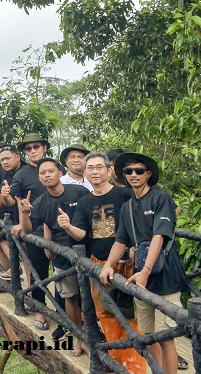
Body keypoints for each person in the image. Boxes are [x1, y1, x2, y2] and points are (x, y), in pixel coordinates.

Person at [100, 153, 192, 374]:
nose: (133, 174)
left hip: (165, 276)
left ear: (148, 174)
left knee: (166, 337)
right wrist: (108, 264)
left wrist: (146, 271)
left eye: (139, 171)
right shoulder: (128, 207)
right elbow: (121, 240)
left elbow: (159, 236)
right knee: (149, 335)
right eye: (129, 171)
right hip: (140, 277)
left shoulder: (161, 199)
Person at [58, 152, 146, 374]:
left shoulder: (125, 195)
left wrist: (134, 250)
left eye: (99, 167)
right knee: (105, 312)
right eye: (91, 168)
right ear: (85, 173)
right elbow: (81, 235)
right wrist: (67, 225)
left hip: (127, 263)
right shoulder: (85, 202)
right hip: (98, 263)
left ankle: (134, 366)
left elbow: (141, 223)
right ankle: (116, 360)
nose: (95, 172)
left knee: (131, 313)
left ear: (109, 170)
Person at [16, 157, 90, 355]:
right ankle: (80, 338)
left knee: (91, 298)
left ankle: (93, 338)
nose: (47, 175)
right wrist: (23, 213)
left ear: (60, 172)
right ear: (39, 178)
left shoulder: (80, 192)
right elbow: (29, 230)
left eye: (51, 171)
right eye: (43, 173)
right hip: (61, 258)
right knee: (70, 298)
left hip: (87, 253)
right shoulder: (40, 203)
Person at [11, 132, 54, 330]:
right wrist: (22, 220)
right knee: (39, 273)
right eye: (28, 148)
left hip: (59, 229)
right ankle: (40, 310)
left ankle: (71, 316)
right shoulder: (21, 174)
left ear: (44, 147)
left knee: (66, 274)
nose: (32, 151)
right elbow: (16, 200)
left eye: (36, 146)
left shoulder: (54, 167)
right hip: (35, 230)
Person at [0, 145, 26, 279]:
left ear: (17, 157)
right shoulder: (5, 172)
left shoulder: (24, 171)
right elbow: (1, 193)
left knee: (25, 251)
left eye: (8, 158)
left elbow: (13, 200)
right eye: (2, 160)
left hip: (23, 216)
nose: (5, 162)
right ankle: (8, 276)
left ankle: (16, 267)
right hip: (7, 213)